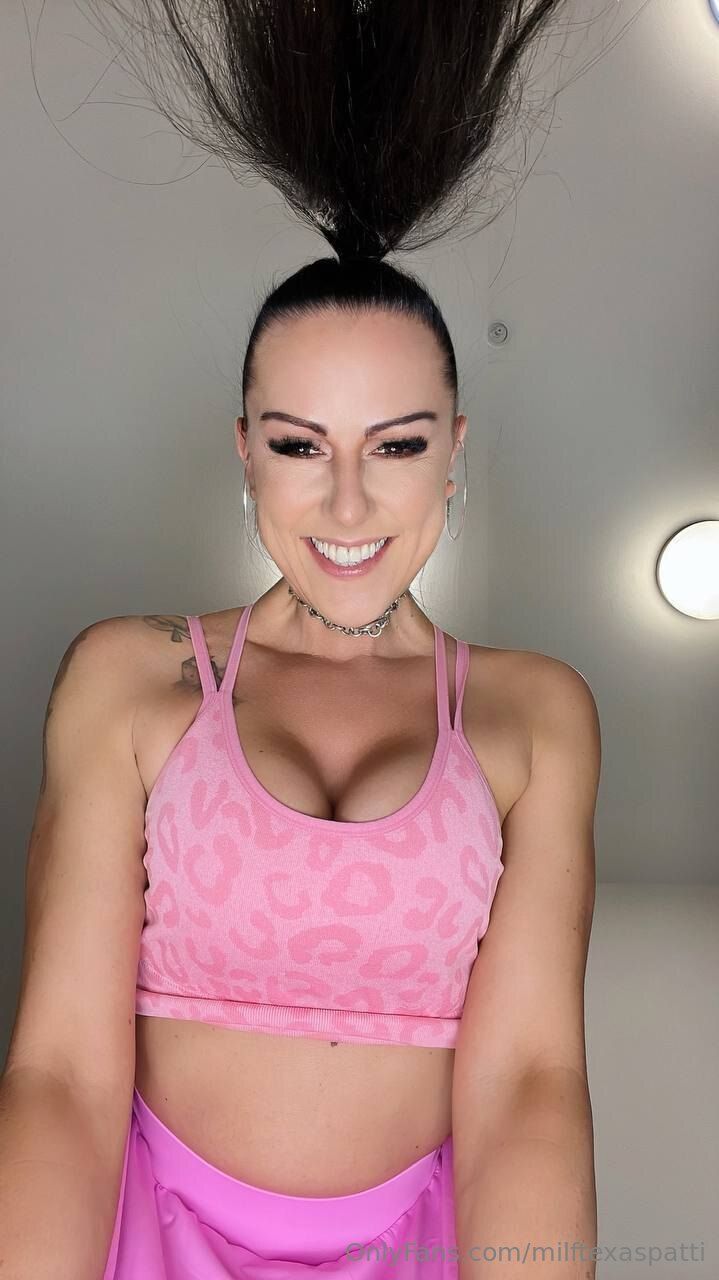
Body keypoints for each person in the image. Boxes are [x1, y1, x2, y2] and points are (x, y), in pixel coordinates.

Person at [0, 2, 602, 1277]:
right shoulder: (130, 677)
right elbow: (57, 1072)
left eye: (395, 445)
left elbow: (530, 1084)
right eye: (297, 445)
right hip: (142, 1237)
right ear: (244, 452)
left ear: (451, 453)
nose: (345, 502)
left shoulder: (534, 714)